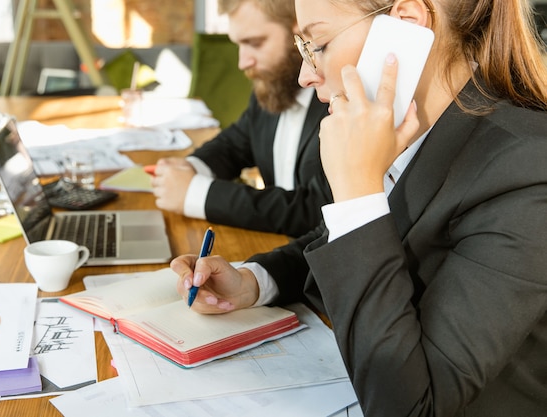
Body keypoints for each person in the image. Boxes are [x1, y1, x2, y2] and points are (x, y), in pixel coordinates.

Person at [170, 0, 547, 415]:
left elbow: (407, 407)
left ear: (404, 24)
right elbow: (351, 236)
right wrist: (256, 281)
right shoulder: (423, 129)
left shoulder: (526, 169)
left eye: (319, 43)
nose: (305, 74)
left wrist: (358, 190)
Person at [150, 0, 332, 237]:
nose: (242, 62)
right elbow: (235, 142)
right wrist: (190, 168)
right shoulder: (274, 86)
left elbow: (319, 211)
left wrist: (197, 194)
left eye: (254, 43)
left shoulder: (337, 100)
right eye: (238, 45)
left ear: (299, 30)